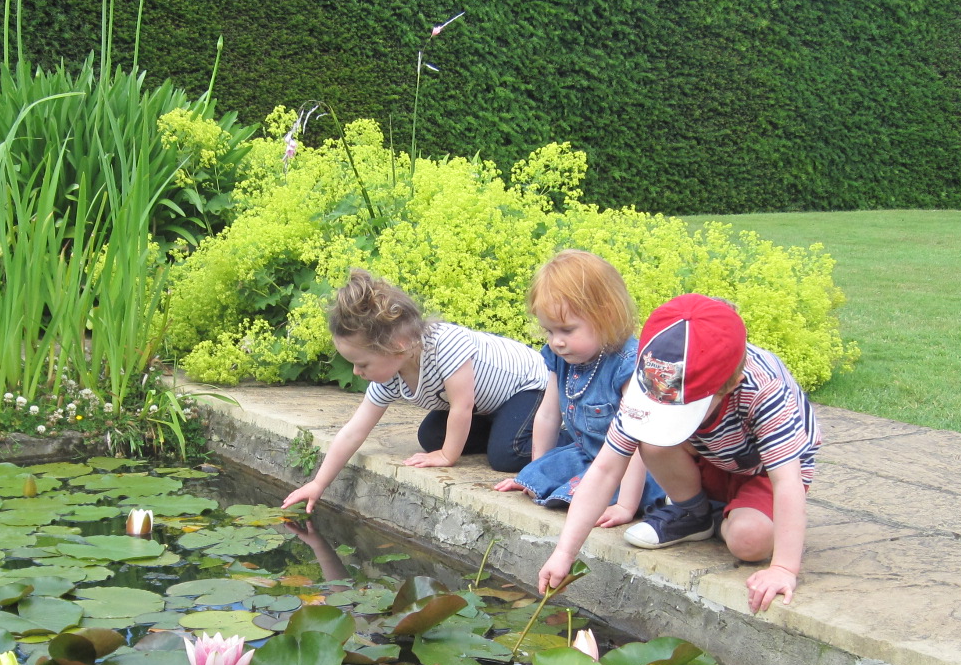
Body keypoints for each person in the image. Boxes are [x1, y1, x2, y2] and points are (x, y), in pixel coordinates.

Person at [537, 293, 821, 614]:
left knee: (749, 542)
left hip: (761, 469)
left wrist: (783, 568)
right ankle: (694, 513)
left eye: (681, 409)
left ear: (729, 386)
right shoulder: (653, 378)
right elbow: (604, 470)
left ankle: (722, 513)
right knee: (654, 441)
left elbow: (787, 482)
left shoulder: (765, 391)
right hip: (708, 452)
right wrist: (563, 553)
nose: (666, 412)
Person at [283, 269, 547, 512]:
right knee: (431, 436)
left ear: (397, 346)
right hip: (487, 406)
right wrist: (318, 483)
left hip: (527, 387)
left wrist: (447, 456)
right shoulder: (389, 377)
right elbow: (354, 431)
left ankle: (566, 440)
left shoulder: (446, 345)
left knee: (505, 455)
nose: (356, 372)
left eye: (362, 363)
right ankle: (505, 431)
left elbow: (462, 406)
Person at [494, 249, 664, 523]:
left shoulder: (626, 366)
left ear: (606, 317)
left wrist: (625, 506)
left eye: (567, 330)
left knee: (596, 489)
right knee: (538, 475)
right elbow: (549, 415)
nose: (556, 342)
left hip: (632, 464)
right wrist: (536, 470)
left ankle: (628, 498)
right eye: (549, 331)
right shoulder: (562, 357)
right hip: (588, 453)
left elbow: (639, 443)